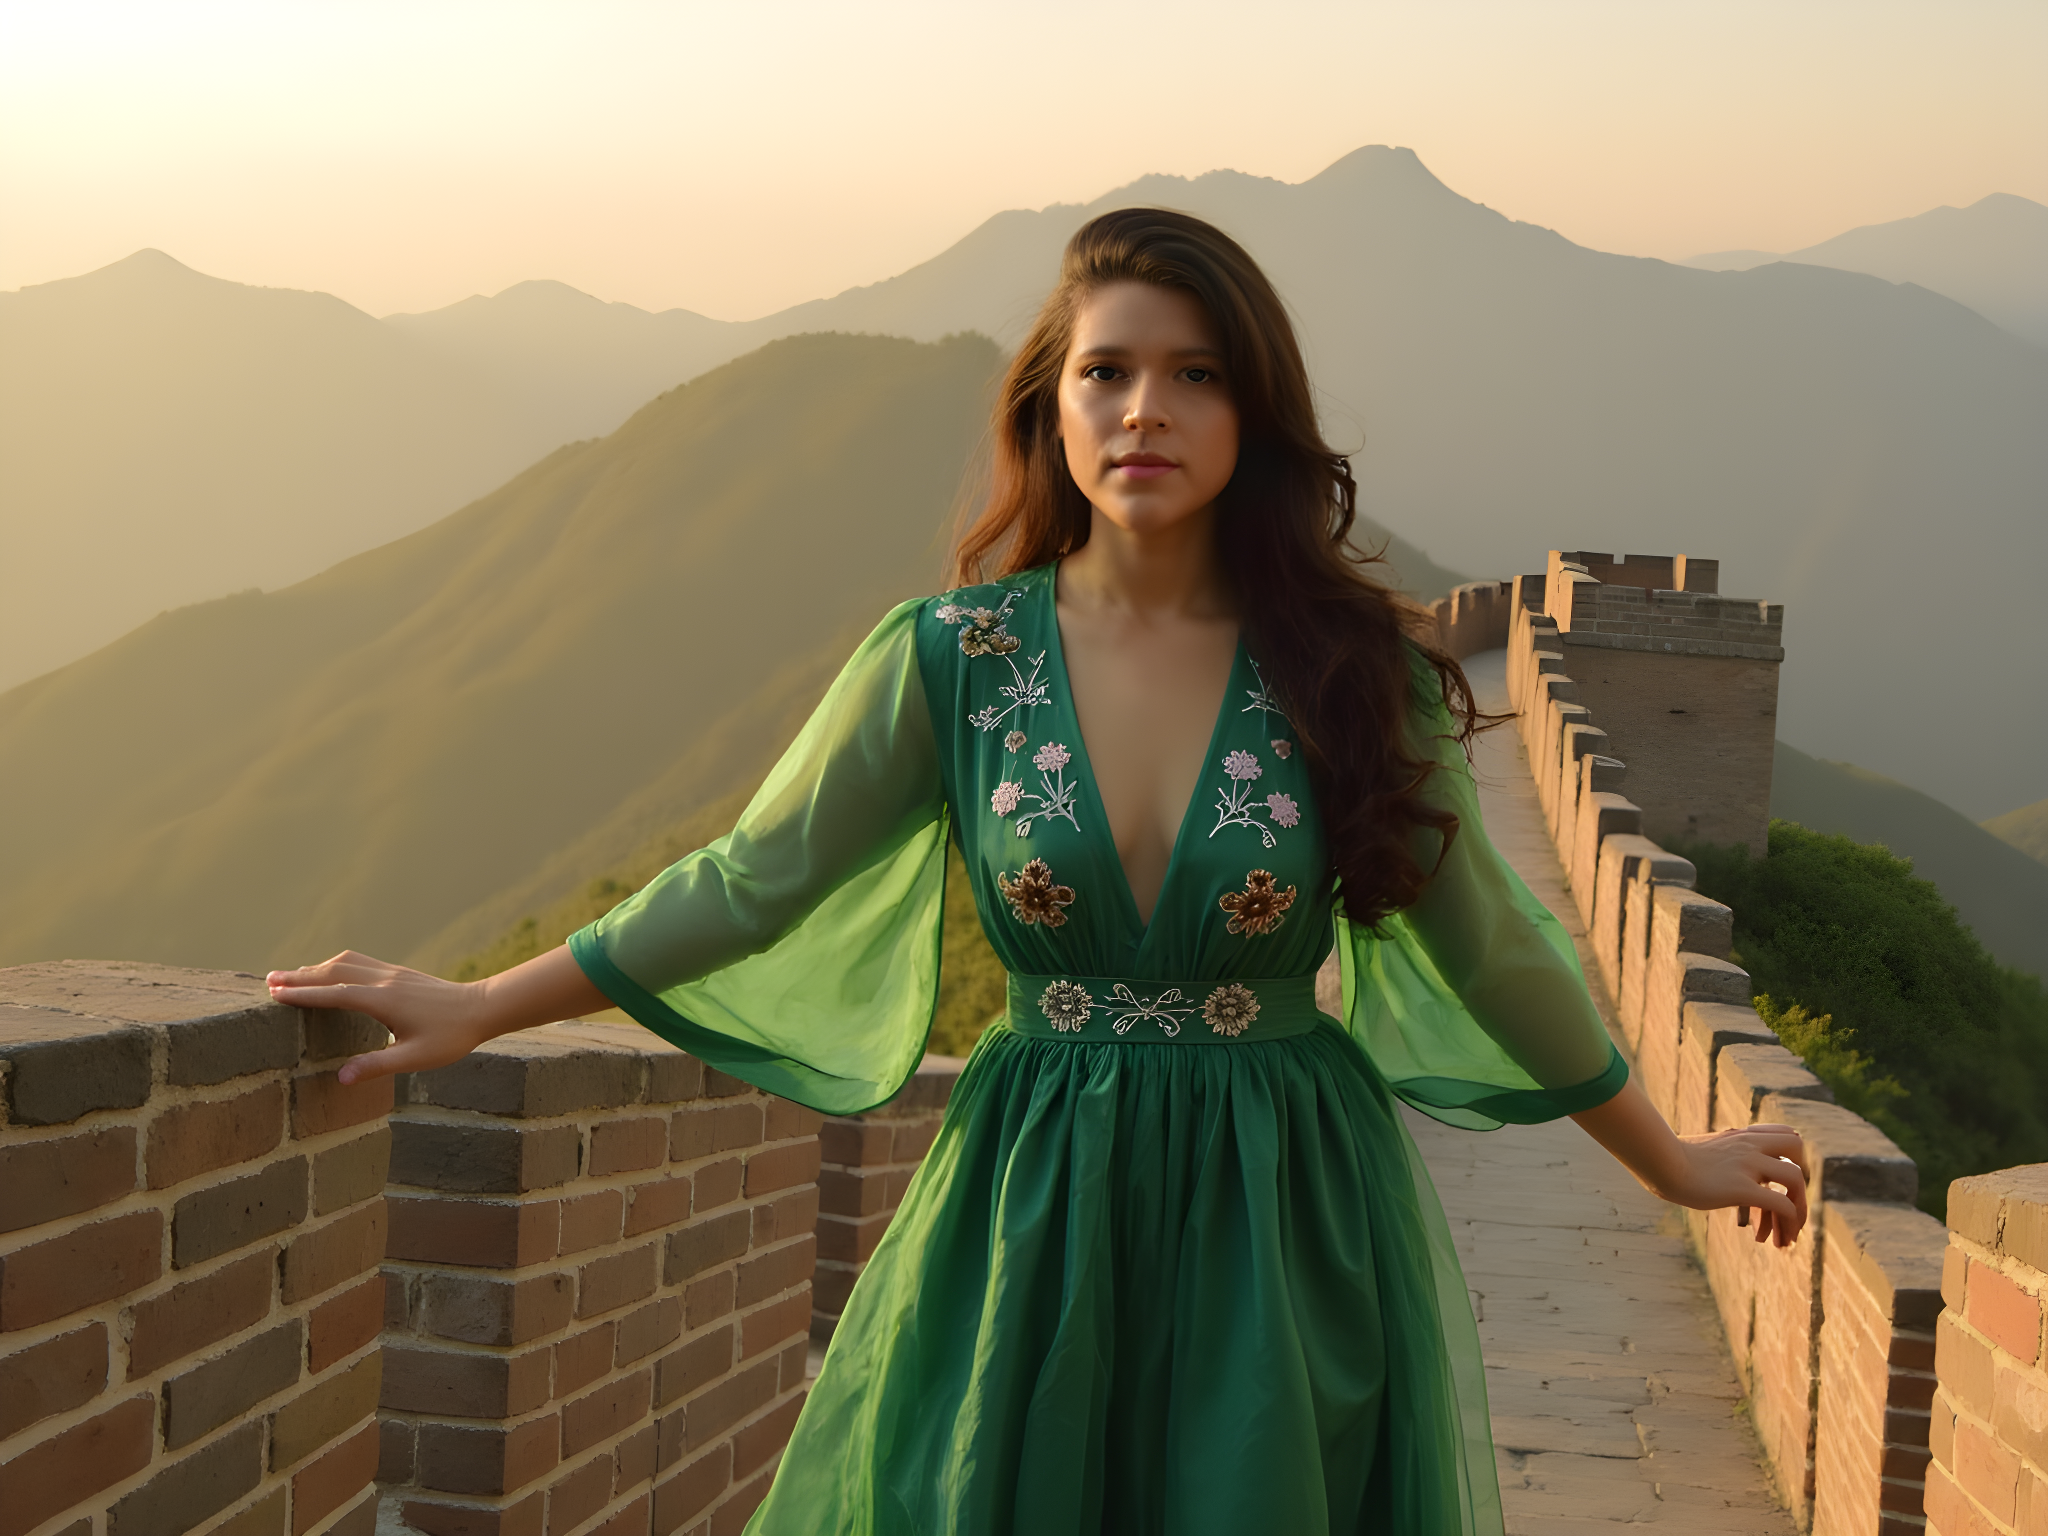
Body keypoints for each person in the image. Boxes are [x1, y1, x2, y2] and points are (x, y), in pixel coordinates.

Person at [268, 208, 1807, 1535]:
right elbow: (752, 879)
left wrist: (1670, 1159)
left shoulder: (1348, 674)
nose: (1147, 408)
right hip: (1029, 1200)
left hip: (1280, 1209)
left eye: (1196, 375)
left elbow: (1494, 945)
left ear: (1254, 417)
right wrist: (483, 1002)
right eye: (1108, 371)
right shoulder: (957, 662)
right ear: (1051, 412)